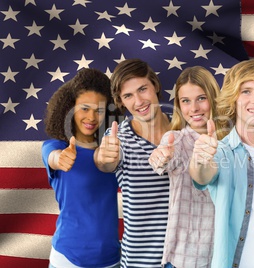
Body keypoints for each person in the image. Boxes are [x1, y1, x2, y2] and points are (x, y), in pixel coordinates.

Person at [189, 59, 254, 268]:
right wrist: (200, 160)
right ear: (233, 98)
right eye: (246, 91)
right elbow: (202, 175)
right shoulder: (221, 151)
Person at [94, 58, 172, 268]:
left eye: (142, 89)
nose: (138, 101)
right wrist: (102, 158)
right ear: (121, 101)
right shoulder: (118, 137)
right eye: (128, 95)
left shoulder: (182, 125)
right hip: (140, 261)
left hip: (188, 258)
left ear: (155, 85)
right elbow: (105, 162)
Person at [41, 68, 121, 268]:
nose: (92, 117)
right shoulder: (55, 146)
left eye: (99, 110)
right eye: (84, 108)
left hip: (113, 258)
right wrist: (60, 159)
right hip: (68, 259)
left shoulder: (114, 149)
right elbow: (53, 158)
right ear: (69, 108)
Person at [148, 66, 222, 268]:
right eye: (185, 101)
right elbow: (164, 157)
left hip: (224, 256)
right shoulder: (177, 140)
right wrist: (161, 156)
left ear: (213, 98)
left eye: (201, 98)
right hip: (184, 258)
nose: (194, 108)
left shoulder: (231, 143)